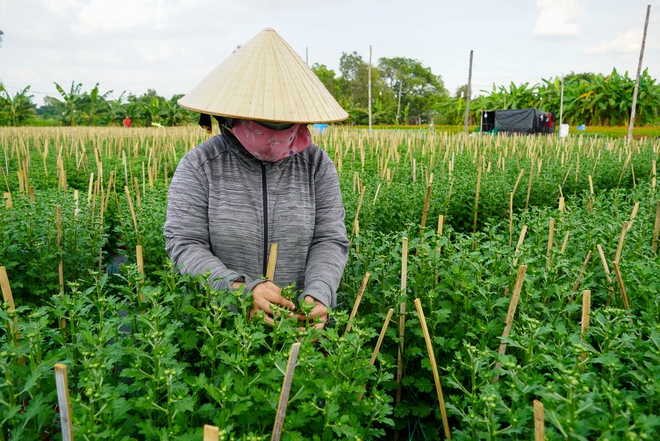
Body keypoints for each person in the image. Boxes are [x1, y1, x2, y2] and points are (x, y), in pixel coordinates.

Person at [164, 28, 349, 329]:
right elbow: (185, 243)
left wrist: (319, 293)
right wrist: (238, 290)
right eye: (263, 123)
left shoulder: (316, 164)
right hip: (220, 329)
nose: (274, 135)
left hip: (299, 328)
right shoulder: (200, 166)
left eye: (284, 123)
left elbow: (329, 238)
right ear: (231, 116)